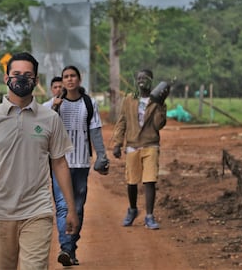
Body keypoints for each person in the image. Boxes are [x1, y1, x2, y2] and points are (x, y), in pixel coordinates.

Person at [0, 52, 79, 270]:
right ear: (6, 78)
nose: (21, 79)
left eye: (27, 75)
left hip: (37, 209)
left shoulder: (50, 119)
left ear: (36, 81)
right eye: (16, 74)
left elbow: (59, 163)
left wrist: (71, 208)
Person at [47, 65, 109, 267]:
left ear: (79, 80)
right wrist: (55, 108)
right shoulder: (52, 104)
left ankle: (71, 248)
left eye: (73, 76)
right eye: (66, 76)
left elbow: (95, 131)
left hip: (81, 163)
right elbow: (43, 130)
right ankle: (65, 248)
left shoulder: (89, 103)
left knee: (78, 208)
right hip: (59, 163)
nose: (69, 79)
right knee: (64, 206)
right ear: (62, 81)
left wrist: (101, 155)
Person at [112, 69, 169, 230]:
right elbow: (122, 122)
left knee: (149, 180)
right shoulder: (129, 99)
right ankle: (132, 209)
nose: (142, 81)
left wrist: (160, 105)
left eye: (145, 78)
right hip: (132, 144)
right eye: (139, 78)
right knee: (131, 181)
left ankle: (149, 216)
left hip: (151, 144)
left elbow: (159, 125)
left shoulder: (157, 101)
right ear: (136, 81)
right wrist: (118, 143)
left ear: (152, 80)